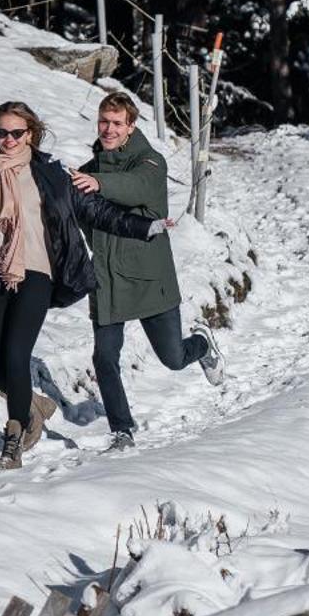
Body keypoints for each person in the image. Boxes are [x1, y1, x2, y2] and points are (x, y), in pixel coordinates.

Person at [0, 100, 163, 471]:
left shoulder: (49, 173)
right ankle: (34, 406)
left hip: (37, 273)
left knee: (17, 356)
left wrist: (143, 227)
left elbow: (94, 211)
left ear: (29, 134)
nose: (9, 140)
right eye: (2, 133)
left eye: (17, 133)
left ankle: (13, 440)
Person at [70, 90, 224, 451]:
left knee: (172, 358)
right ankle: (122, 429)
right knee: (104, 358)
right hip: (106, 278)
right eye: (103, 122)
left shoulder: (150, 162)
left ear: (131, 126)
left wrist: (100, 184)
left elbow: (137, 187)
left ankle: (201, 346)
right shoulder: (90, 169)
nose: (108, 129)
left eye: (116, 123)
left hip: (148, 278)